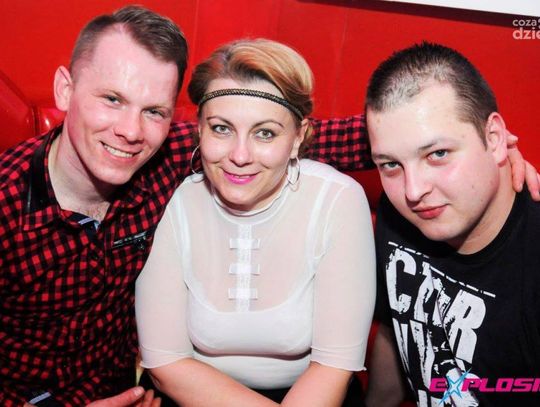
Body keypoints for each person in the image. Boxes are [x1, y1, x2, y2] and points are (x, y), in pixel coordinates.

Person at [0, 5, 536, 406]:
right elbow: (166, 359)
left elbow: (377, 131)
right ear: (65, 90)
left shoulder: (163, 156)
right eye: (112, 99)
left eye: (154, 111)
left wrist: (487, 148)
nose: (129, 130)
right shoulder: (26, 200)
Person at [135, 38, 376, 407]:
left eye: (265, 133)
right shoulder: (174, 199)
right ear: (199, 129)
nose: (240, 155)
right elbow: (166, 363)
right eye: (221, 128)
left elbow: (333, 367)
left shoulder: (337, 200)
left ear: (298, 137)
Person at [365, 42, 540, 406]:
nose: (412, 191)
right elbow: (398, 329)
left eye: (438, 154)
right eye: (390, 165)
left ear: (495, 139)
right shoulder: (397, 218)